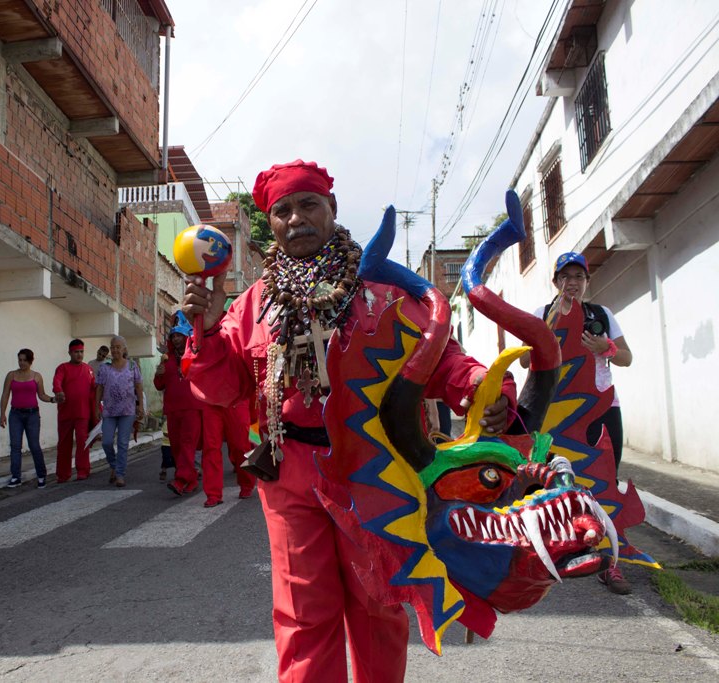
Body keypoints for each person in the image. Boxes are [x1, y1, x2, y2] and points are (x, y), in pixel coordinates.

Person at [182, 160, 515, 682]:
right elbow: (222, 386)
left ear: (332, 210)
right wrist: (202, 331)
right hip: (288, 475)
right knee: (301, 613)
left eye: (308, 205)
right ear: (269, 223)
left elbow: (442, 358)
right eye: (282, 211)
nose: (296, 219)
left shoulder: (381, 294)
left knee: (378, 605)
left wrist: (478, 389)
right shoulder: (251, 306)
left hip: (373, 472)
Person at [521, 251, 634, 594]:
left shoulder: (602, 315)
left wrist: (606, 346)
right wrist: (549, 329)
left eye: (579, 277)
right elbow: (526, 359)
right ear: (555, 282)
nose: (573, 283)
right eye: (566, 277)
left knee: (605, 480)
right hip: (554, 413)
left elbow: (627, 358)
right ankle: (555, 552)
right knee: (552, 481)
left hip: (602, 408)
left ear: (587, 282)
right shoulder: (541, 314)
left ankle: (610, 563)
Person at [153, 317, 206, 500]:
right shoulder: (166, 360)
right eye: (173, 336)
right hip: (173, 409)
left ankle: (181, 480)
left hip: (193, 407)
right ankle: (190, 481)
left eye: (179, 335)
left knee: (187, 445)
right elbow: (159, 385)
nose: (176, 339)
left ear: (186, 337)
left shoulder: (194, 354)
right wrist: (158, 375)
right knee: (176, 447)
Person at [0, 348, 56, 488]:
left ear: (31, 361)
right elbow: (5, 395)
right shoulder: (11, 375)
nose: (22, 363)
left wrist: (53, 399)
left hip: (32, 415)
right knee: (15, 446)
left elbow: (41, 395)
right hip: (15, 414)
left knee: (34, 445)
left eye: (25, 360)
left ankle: (41, 475)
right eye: (20, 360)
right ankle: (16, 476)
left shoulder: (36, 376)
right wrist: (2, 414)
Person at [93, 335, 144, 488]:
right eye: (113, 347)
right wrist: (96, 407)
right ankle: (114, 465)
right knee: (107, 442)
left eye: (118, 347)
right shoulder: (104, 367)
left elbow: (138, 387)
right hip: (109, 411)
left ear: (124, 349)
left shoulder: (132, 366)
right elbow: (100, 388)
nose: (115, 350)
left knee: (122, 443)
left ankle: (120, 474)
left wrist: (140, 406)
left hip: (127, 411)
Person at [52, 339, 96, 483]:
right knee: (64, 444)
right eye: (76, 352)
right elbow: (57, 381)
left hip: (83, 413)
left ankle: (83, 470)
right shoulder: (62, 368)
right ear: (70, 352)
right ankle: (63, 474)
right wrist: (58, 391)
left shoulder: (88, 369)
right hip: (66, 413)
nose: (79, 355)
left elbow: (94, 390)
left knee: (83, 442)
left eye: (81, 352)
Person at [201, 399, 257, 504]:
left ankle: (247, 483)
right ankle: (213, 494)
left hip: (236, 398)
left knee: (241, 445)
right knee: (211, 447)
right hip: (211, 400)